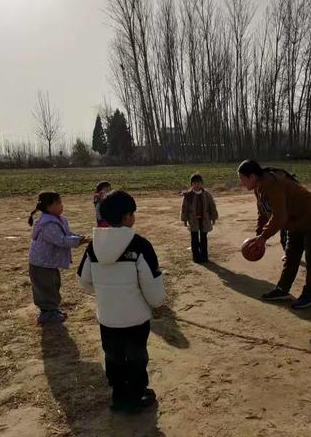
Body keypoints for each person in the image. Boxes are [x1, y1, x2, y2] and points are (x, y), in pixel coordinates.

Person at [77, 190, 165, 412]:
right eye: (132, 213)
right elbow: (152, 285)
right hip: (135, 317)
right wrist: (157, 303)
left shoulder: (93, 246)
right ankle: (136, 397)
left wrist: (106, 295)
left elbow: (84, 280)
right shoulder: (140, 245)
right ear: (126, 217)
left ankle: (118, 396)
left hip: (108, 317)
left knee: (114, 356)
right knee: (136, 357)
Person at [238, 160, 311, 309]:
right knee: (291, 255)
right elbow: (263, 213)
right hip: (293, 220)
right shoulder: (258, 188)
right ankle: (282, 289)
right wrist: (259, 236)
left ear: (252, 176)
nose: (241, 183)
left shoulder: (274, 185)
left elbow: (279, 217)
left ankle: (309, 295)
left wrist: (264, 237)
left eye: (242, 179)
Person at [28, 191, 87, 324]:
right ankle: (46, 313)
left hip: (49, 262)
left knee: (54, 284)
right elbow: (61, 240)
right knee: (45, 287)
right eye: (59, 203)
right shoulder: (47, 224)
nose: (62, 205)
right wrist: (79, 241)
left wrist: (79, 237)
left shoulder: (58, 220)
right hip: (41, 264)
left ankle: (53, 309)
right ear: (49, 207)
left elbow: (67, 234)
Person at [181, 174, 218, 263]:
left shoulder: (207, 195)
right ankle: (196, 257)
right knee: (194, 238)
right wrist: (184, 219)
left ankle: (204, 256)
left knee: (203, 238)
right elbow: (184, 208)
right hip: (193, 220)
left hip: (204, 220)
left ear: (202, 184)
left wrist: (213, 217)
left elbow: (212, 206)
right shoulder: (188, 196)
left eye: (199, 183)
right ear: (191, 184)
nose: (197, 185)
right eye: (195, 183)